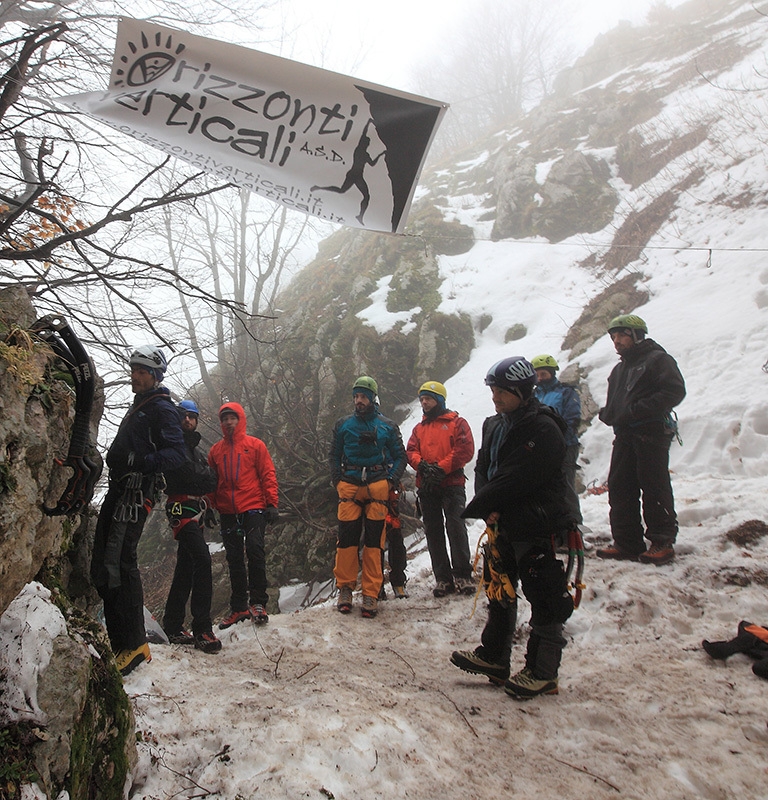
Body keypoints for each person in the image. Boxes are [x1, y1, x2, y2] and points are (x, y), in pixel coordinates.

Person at [450, 357, 573, 699]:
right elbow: (486, 469)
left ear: (521, 390)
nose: (496, 397)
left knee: (543, 592)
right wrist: (489, 506)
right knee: (499, 586)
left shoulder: (543, 428)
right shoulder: (495, 424)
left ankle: (543, 671)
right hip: (503, 521)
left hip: (534, 520)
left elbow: (520, 476)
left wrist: (488, 506)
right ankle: (495, 656)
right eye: (493, 390)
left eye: (503, 391)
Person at [90, 346, 186, 675]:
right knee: (104, 564)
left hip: (134, 493)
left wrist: (141, 463)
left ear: (156, 375)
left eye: (142, 370)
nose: (135, 374)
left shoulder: (161, 408)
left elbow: (176, 454)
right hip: (121, 490)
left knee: (118, 562)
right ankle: (123, 642)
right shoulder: (142, 405)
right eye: (134, 369)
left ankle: (132, 646)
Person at [596, 315, 686, 566]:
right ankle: (627, 542)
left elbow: (674, 391)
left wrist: (637, 410)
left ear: (636, 334)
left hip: (650, 432)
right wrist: (610, 413)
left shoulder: (658, 359)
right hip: (624, 434)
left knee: (654, 485)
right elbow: (618, 402)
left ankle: (662, 541)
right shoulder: (620, 369)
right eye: (613, 337)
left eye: (621, 335)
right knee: (620, 486)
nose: (616, 341)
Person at [330, 376, 407, 618]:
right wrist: (338, 480)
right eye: (356, 396)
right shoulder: (343, 425)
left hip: (377, 487)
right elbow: (333, 454)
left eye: (363, 396)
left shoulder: (387, 426)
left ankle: (371, 592)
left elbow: (400, 456)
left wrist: (391, 480)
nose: (358, 401)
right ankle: (345, 588)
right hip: (350, 486)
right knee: (346, 541)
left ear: (372, 398)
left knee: (374, 543)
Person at [207, 402, 279, 629]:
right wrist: (210, 506)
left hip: (253, 506)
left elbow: (267, 473)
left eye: (232, 418)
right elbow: (211, 481)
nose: (229, 422)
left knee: (256, 550)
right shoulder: (216, 451)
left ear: (240, 420)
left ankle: (258, 602)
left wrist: (272, 503)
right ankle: (238, 607)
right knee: (234, 558)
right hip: (228, 510)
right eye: (225, 419)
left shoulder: (255, 445)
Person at [162, 400, 222, 654]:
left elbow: (210, 480)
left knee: (186, 568)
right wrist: (203, 477)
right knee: (202, 560)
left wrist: (203, 480)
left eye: (193, 417)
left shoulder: (194, 451)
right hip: (180, 508)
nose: (188, 420)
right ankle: (202, 628)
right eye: (184, 416)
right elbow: (192, 476)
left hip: (194, 509)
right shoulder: (173, 445)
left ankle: (173, 625)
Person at [406, 380, 475, 597]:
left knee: (456, 527)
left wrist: (440, 469)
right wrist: (423, 466)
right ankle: (443, 579)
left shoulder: (457, 423)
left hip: (452, 485)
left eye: (428, 398)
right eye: (422, 399)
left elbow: (465, 449)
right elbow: (411, 451)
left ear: (439, 400)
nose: (424, 403)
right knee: (434, 532)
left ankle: (463, 575)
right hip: (427, 487)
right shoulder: (419, 428)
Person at [531, 354, 583, 533]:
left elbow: (572, 419)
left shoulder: (566, 393)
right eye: (537, 374)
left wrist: (556, 439)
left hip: (565, 446)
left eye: (543, 374)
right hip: (541, 448)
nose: (540, 378)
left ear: (552, 373)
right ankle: (553, 530)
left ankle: (573, 530)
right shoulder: (534, 395)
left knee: (566, 488)